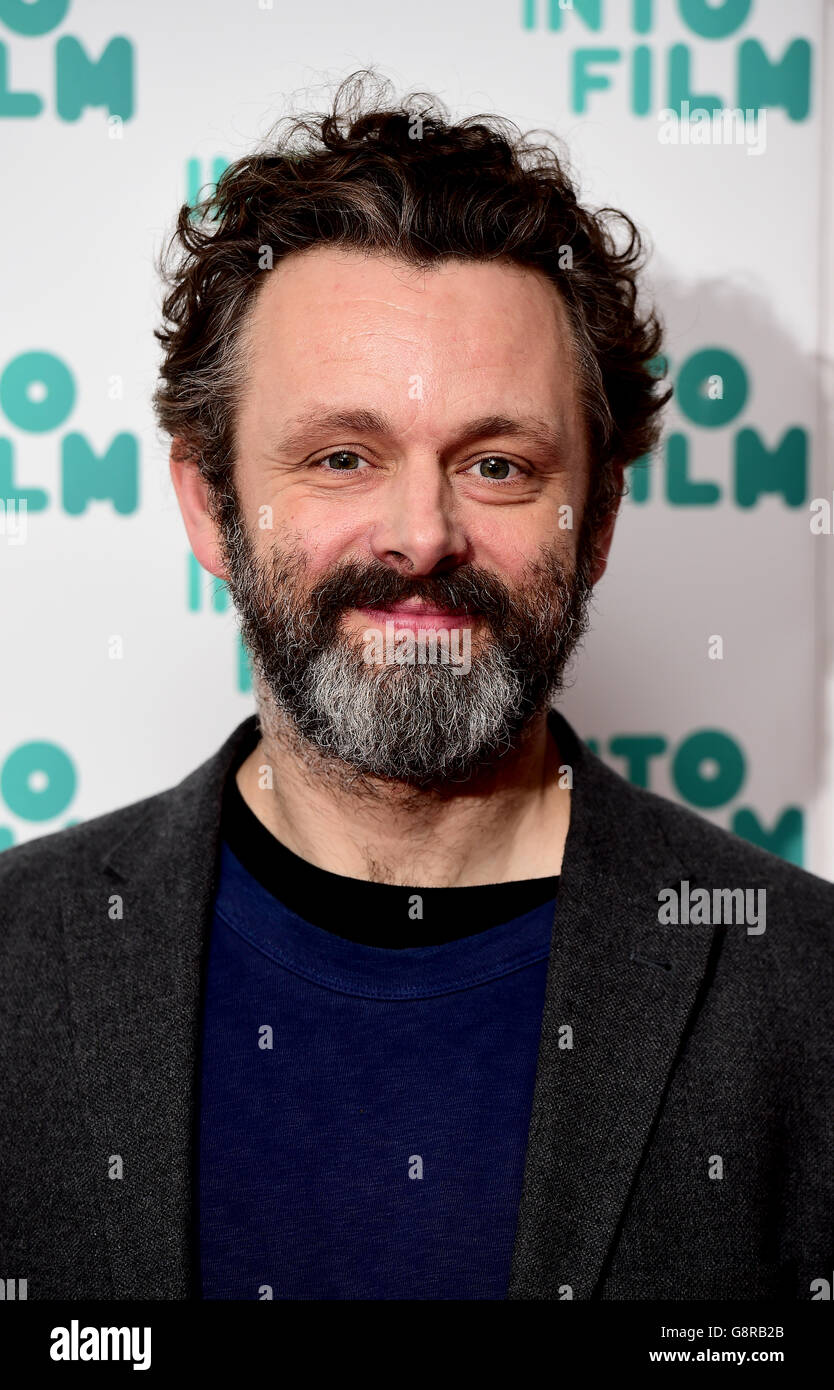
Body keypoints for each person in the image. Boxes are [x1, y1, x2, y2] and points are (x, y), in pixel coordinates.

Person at [1, 72, 831, 1302]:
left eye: (497, 464)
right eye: (343, 456)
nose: (422, 535)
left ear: (596, 515)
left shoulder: (804, 987)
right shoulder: (20, 957)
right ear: (209, 506)